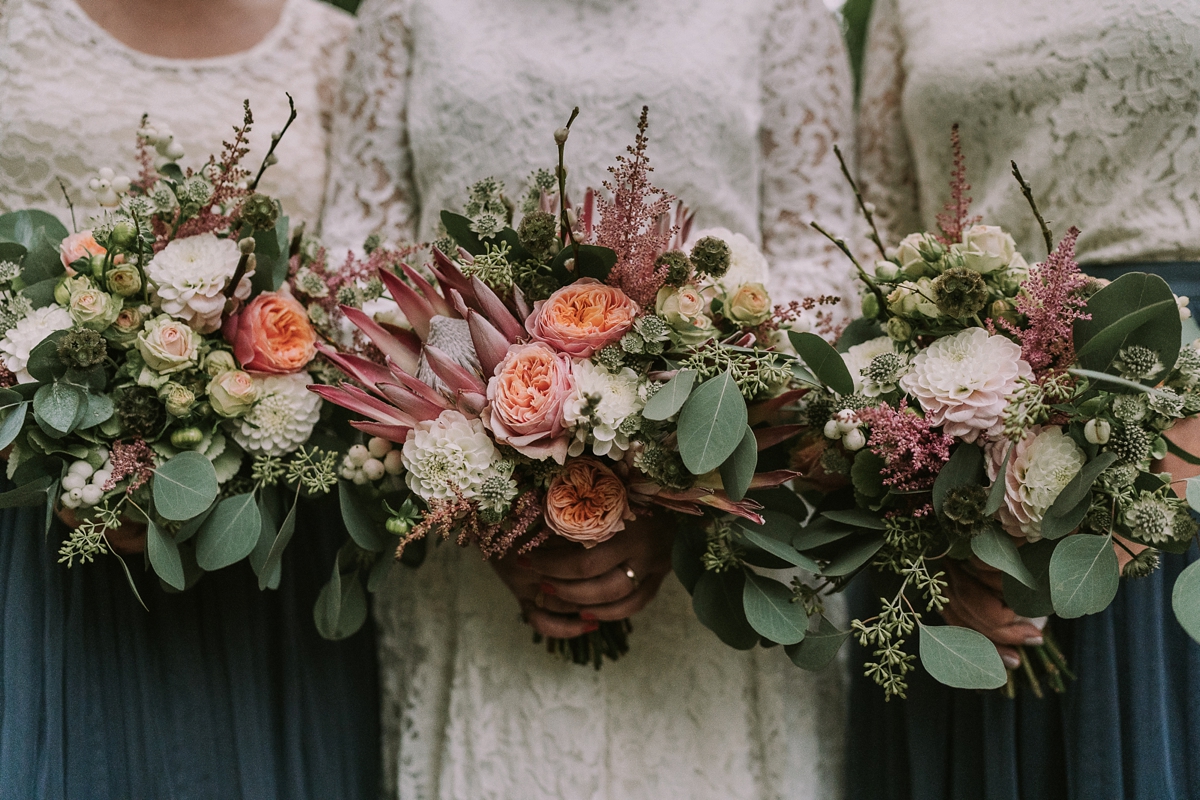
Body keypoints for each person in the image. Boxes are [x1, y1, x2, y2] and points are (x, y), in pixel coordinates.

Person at [320, 0, 861, 796]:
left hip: (721, 509)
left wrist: (676, 486)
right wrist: (492, 491)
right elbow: (359, 258)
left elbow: (823, 261)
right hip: (468, 531)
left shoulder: (783, 11)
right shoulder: (402, 11)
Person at [0, 1, 381, 797]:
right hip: (27, 519)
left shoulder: (337, 45)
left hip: (264, 538)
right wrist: (51, 445)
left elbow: (363, 298)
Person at [847, 0, 1200, 797]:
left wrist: (1173, 454)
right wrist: (929, 505)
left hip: (1183, 416)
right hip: (959, 423)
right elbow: (880, 228)